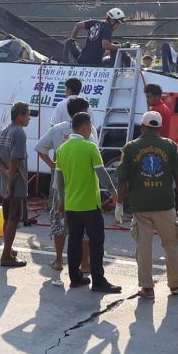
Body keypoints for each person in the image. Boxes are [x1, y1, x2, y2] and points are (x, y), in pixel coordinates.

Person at [115, 110, 178, 299]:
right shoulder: (170, 146)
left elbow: (122, 180)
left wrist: (119, 203)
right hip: (165, 204)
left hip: (141, 206)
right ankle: (176, 284)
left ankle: (147, 288)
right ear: (160, 127)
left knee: (144, 246)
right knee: (171, 244)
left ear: (142, 126)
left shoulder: (130, 148)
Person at [55, 112, 121, 293]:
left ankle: (75, 278)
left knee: (74, 241)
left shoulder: (62, 149)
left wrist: (62, 200)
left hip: (71, 205)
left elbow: (59, 180)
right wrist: (114, 193)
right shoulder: (90, 147)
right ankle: (98, 281)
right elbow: (102, 173)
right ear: (84, 127)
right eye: (90, 126)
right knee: (96, 242)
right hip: (90, 206)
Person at [35, 97, 96, 272]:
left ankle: (59, 261)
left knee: (59, 220)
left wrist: (53, 166)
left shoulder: (57, 129)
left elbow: (40, 148)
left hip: (59, 183)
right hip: (82, 184)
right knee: (84, 222)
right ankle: (85, 263)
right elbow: (94, 157)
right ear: (84, 111)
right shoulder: (88, 132)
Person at [0, 101, 32, 268]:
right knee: (14, 218)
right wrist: (10, 178)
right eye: (28, 114)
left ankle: (8, 249)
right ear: (20, 116)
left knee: (8, 217)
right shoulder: (19, 134)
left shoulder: (3, 132)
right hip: (15, 183)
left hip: (5, 181)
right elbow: (16, 160)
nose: (29, 118)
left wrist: (5, 171)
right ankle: (6, 255)